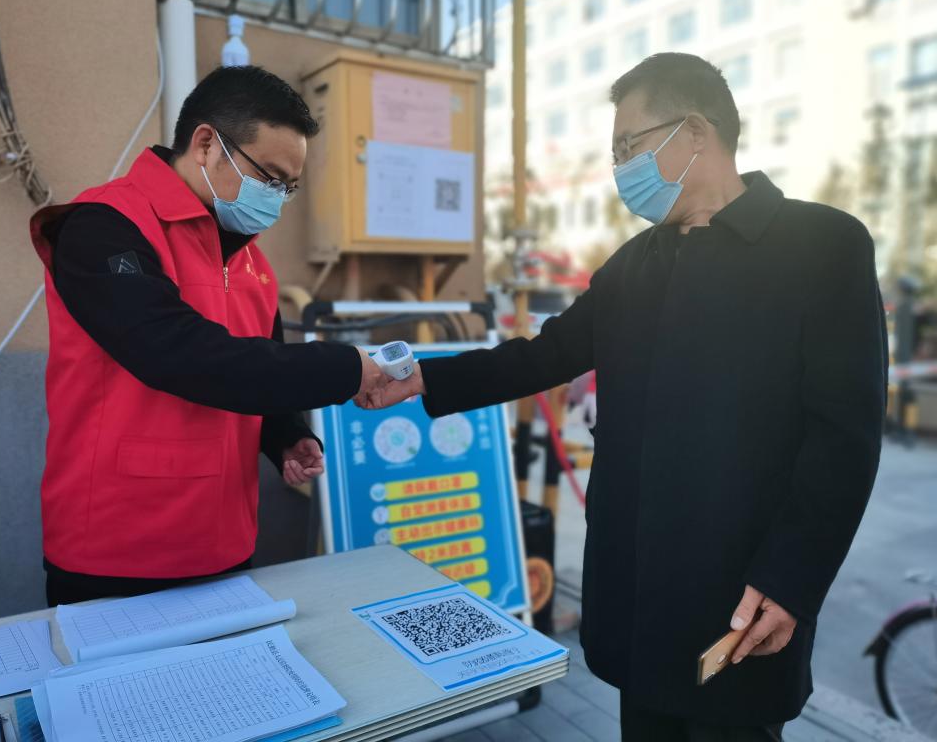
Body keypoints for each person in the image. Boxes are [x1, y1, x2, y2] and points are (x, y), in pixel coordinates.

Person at [358, 53, 888, 740]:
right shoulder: (637, 264)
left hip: (742, 590)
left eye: (628, 146)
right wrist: (426, 377)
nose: (619, 168)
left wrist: (793, 579)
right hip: (640, 586)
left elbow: (844, 438)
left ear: (694, 131)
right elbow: (547, 353)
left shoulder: (821, 246)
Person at [30, 66, 385, 606]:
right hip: (115, 547)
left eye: (287, 187)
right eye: (268, 176)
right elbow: (175, 352)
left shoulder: (252, 262)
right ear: (205, 144)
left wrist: (285, 433)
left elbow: (260, 364)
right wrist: (345, 367)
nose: (276, 198)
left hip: (225, 541)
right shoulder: (104, 227)